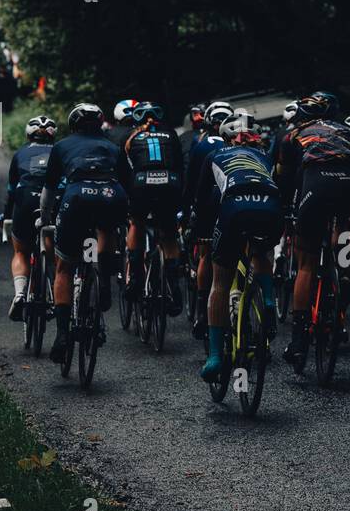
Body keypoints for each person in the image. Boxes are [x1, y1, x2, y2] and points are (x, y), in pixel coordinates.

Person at [190, 113, 282, 381]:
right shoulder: (264, 156)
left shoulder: (215, 155)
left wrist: (202, 232)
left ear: (226, 137)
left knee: (220, 284)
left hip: (234, 210)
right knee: (261, 251)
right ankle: (267, 300)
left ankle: (215, 357)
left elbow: (203, 203)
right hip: (270, 209)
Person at [275, 95, 350, 370]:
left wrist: (284, 210)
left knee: (306, 262)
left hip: (317, 185)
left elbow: (284, 179)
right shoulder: (346, 130)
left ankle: (299, 339)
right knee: (343, 231)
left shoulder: (293, 136)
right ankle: (344, 278)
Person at [40, 103, 131, 364]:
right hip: (112, 195)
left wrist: (45, 217)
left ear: (73, 125)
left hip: (77, 197)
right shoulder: (112, 147)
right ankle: (103, 283)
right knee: (107, 229)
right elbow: (127, 182)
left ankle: (61, 335)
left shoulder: (61, 147)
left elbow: (49, 189)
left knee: (65, 267)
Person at [122, 102, 185, 315]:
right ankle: (174, 285)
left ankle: (136, 278)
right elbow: (179, 164)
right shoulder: (171, 134)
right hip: (170, 182)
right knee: (168, 235)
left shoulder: (130, 137)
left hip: (141, 183)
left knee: (136, 223)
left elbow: (124, 170)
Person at [184, 101, 235, 337]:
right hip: (234, 199)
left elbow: (193, 182)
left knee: (205, 253)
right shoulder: (240, 140)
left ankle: (204, 311)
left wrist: (188, 212)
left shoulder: (201, 143)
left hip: (210, 200)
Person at [2, 116, 57, 321]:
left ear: (28, 134)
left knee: (21, 251)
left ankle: (19, 294)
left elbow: (11, 190)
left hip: (25, 201)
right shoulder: (60, 151)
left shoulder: (20, 154)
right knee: (55, 245)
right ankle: (53, 287)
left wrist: (6, 215)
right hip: (53, 201)